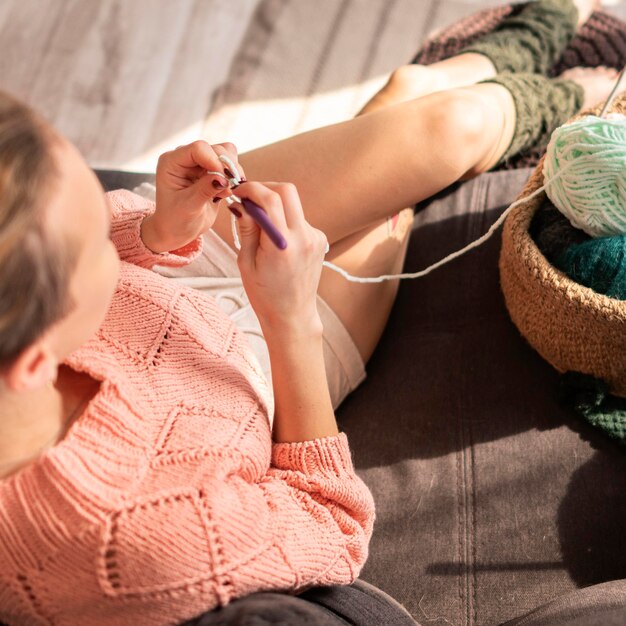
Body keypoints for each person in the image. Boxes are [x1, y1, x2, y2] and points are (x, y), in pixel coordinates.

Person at [0, 0, 616, 624]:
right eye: (88, 247)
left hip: (181, 259)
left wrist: (156, 231)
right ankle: (551, 93)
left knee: (448, 128)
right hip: (277, 362)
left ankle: (435, 87)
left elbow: (101, 231)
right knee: (429, 157)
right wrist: (291, 319)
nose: (103, 226)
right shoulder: (139, 547)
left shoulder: (27, 311)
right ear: (32, 362)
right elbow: (333, 522)